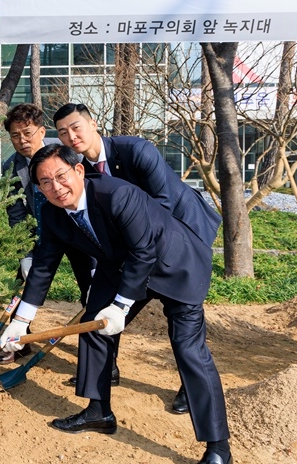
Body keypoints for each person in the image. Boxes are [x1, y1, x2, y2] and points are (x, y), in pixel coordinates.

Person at [0, 144, 232, 464]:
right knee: (93, 327)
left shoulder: (119, 195)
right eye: (45, 183)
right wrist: (20, 321)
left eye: (60, 176)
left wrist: (121, 306)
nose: (55, 187)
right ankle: (99, 410)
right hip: (119, 267)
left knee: (188, 349)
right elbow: (45, 265)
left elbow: (144, 252)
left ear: (79, 171)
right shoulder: (52, 213)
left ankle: (218, 448)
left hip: (174, 264)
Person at [53, 102, 222, 412]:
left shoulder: (135, 150)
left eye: (76, 127)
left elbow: (163, 204)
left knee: (180, 313)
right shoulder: (79, 172)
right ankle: (106, 377)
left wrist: (136, 258)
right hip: (137, 245)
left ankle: (190, 384)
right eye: (63, 133)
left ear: (93, 125)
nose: (71, 136)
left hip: (183, 232)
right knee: (105, 309)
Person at [0, 103, 61, 363]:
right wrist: (26, 254)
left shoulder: (64, 152)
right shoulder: (12, 166)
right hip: (41, 232)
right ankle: (18, 341)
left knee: (91, 289)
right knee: (20, 283)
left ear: (41, 130)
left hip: (77, 229)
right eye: (15, 135)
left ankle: (100, 358)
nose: (22, 140)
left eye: (27, 132)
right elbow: (16, 214)